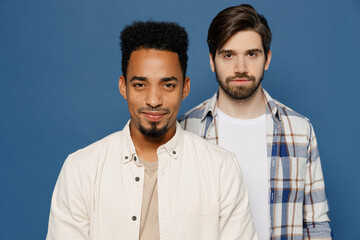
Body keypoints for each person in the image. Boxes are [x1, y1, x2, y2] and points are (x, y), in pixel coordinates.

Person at [46, 21, 257, 240]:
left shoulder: (221, 169)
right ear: (123, 86)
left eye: (168, 85)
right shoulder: (81, 169)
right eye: (140, 85)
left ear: (185, 88)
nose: (154, 100)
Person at [179, 4, 332, 240]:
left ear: (267, 58)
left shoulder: (300, 130)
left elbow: (316, 225)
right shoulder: (185, 129)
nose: (240, 68)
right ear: (212, 60)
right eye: (228, 55)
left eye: (252, 54)